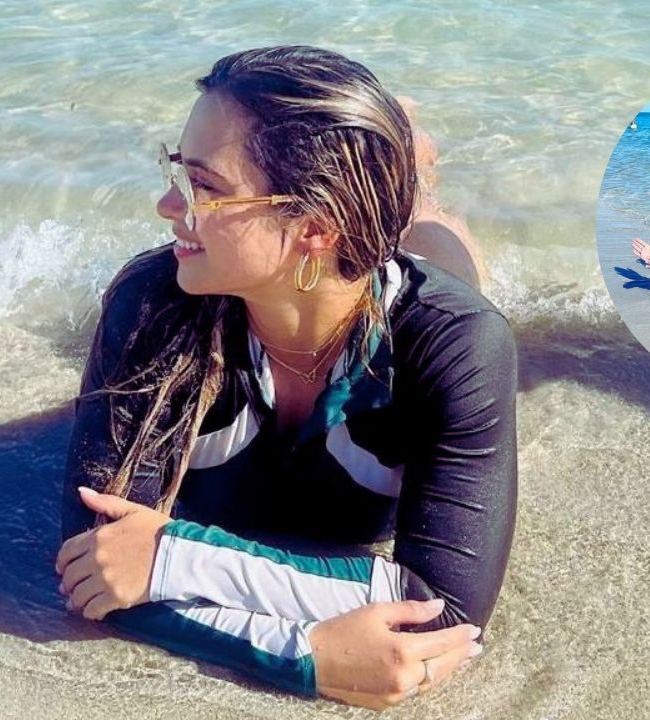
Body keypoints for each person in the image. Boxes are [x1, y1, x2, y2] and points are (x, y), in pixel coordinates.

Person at [55, 46, 517, 710]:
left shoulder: (456, 342)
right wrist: (305, 655)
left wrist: (171, 557)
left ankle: (410, 168)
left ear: (314, 226)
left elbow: (443, 617)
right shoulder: (152, 305)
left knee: (432, 228)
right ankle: (392, 153)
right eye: (177, 170)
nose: (166, 204)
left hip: (416, 266)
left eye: (204, 187)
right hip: (331, 245)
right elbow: (94, 562)